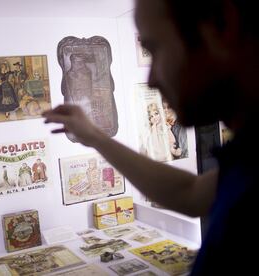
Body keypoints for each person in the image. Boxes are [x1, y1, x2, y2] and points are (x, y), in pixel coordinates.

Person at [43, 0, 259, 274]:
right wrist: (95, 137)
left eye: (155, 48)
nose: (152, 79)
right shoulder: (249, 156)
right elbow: (190, 194)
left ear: (222, 25)